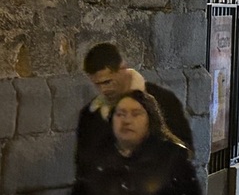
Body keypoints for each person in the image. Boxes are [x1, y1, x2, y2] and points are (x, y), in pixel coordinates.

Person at [61, 90, 204, 195]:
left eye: (136, 114)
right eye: (120, 114)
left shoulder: (172, 159)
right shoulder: (98, 158)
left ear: (150, 120)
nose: (126, 120)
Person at [73, 42, 193, 175]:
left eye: (108, 82)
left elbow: (183, 153)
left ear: (122, 69)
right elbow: (83, 170)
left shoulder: (164, 100)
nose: (104, 90)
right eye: (97, 84)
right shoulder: (90, 116)